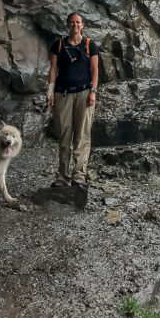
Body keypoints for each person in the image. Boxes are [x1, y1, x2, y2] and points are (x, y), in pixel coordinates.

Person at [46, 13, 100, 188]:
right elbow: (53, 69)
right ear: (67, 25)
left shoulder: (89, 44)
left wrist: (93, 91)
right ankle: (63, 176)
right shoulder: (59, 45)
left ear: (82, 25)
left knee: (82, 135)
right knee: (64, 135)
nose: (74, 25)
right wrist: (50, 91)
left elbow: (95, 69)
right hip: (63, 94)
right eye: (71, 23)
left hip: (84, 93)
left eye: (77, 22)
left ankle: (79, 175)